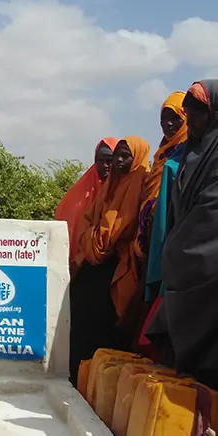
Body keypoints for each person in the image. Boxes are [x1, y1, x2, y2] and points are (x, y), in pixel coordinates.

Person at [147, 80, 218, 388]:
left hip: (207, 267)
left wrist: (177, 251)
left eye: (198, 113)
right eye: (188, 113)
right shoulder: (190, 153)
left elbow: (210, 214)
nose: (192, 121)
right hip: (183, 267)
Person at [68, 136, 149, 386]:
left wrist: (94, 242)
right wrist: (92, 242)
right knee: (80, 323)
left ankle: (99, 386)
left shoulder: (138, 184)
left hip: (118, 268)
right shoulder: (109, 186)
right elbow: (87, 221)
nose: (118, 161)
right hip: (92, 265)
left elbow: (116, 231)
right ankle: (77, 379)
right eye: (116, 156)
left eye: (125, 156)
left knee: (105, 331)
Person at [134, 92, 187, 358]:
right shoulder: (162, 155)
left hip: (171, 235)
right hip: (149, 238)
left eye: (175, 119)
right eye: (164, 119)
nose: (168, 125)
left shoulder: (188, 155)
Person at [54, 138, 118, 262]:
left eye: (110, 161)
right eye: (101, 161)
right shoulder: (81, 191)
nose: (105, 165)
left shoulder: (123, 189)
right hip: (82, 261)